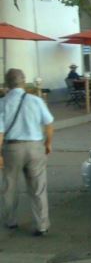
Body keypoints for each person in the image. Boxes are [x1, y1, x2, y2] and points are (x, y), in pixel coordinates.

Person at [0, 68, 54, 236]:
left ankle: (11, 221)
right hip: (35, 147)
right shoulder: (35, 100)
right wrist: (48, 143)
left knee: (9, 186)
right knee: (38, 188)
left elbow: (0, 133)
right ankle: (42, 226)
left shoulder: (2, 103)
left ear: (7, 83)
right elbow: (49, 123)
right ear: (23, 82)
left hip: (12, 148)